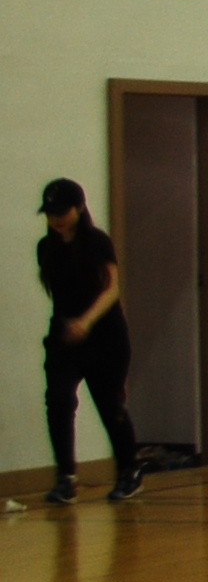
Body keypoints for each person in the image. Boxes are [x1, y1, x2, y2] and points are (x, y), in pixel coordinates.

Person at [34, 180, 138, 506]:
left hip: (104, 336)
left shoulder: (97, 242)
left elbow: (111, 288)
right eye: (50, 213)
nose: (56, 219)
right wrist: (69, 326)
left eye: (62, 212)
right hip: (65, 336)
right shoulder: (45, 247)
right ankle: (66, 477)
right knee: (58, 401)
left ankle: (129, 470)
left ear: (79, 208)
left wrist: (87, 321)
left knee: (110, 405)